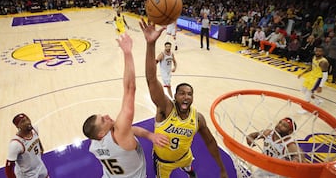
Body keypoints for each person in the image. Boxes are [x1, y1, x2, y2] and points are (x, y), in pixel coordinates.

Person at [139, 18, 228, 178]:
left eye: (189, 94)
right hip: (163, 163)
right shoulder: (165, 108)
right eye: (182, 93)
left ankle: (189, 170)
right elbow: (151, 79)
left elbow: (210, 142)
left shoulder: (197, 118)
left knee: (188, 166)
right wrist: (150, 44)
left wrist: (221, 168)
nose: (186, 96)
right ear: (175, 97)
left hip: (184, 156)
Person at [82, 33, 168, 178]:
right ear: (101, 134)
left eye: (102, 116)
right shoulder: (119, 134)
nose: (107, 116)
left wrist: (149, 135)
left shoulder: (95, 144)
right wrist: (127, 52)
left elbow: (130, 129)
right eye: (103, 120)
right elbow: (130, 88)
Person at [5, 113, 49, 178]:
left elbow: (37, 139)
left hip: (40, 166)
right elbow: (8, 167)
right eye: (23, 122)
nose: (27, 122)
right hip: (27, 175)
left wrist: (41, 147)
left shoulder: (34, 129)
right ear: (18, 126)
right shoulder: (15, 144)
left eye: (27, 119)